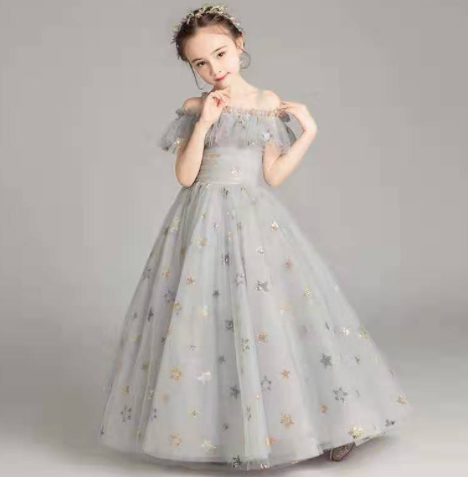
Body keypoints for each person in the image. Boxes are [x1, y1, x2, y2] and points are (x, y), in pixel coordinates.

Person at [97, 3, 413, 472]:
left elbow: (274, 175)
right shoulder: (196, 107)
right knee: (203, 321)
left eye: (220, 54)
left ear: (239, 45)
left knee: (268, 317)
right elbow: (185, 176)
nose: (213, 69)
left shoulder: (266, 102)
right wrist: (205, 122)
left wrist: (308, 133)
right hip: (199, 221)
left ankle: (328, 424)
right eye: (200, 63)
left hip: (253, 220)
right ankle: (222, 431)